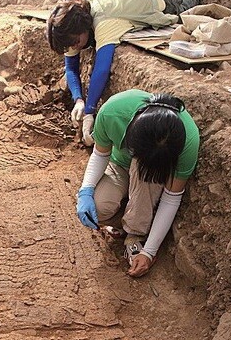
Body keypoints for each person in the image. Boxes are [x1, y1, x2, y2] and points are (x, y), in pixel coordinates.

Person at [47, 0, 202, 145]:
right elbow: (70, 67)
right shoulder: (75, 21)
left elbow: (102, 68)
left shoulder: (104, 21)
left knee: (181, 12)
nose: (74, 47)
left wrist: (90, 111)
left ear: (84, 28)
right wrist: (78, 99)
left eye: (76, 42)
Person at [76, 89, 199, 277]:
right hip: (118, 165)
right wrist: (86, 191)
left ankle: (135, 232)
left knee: (143, 171)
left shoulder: (188, 142)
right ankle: (130, 217)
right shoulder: (113, 112)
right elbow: (100, 154)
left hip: (153, 175)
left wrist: (149, 252)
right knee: (99, 208)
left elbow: (172, 197)